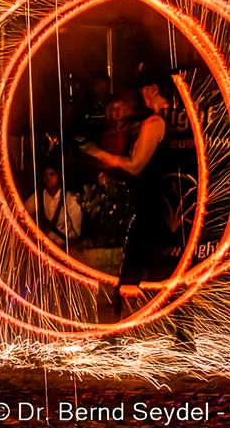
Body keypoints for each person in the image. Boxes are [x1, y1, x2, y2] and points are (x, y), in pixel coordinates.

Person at [80, 64, 186, 317]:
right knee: (169, 269)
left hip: (151, 205)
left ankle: (119, 331)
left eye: (142, 90)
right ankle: (178, 333)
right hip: (168, 204)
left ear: (151, 90)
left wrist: (98, 153)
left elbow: (136, 166)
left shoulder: (155, 122)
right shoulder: (173, 119)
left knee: (133, 269)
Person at [24, 164, 83, 247]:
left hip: (63, 247)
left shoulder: (69, 199)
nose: (48, 178)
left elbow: (76, 231)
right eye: (45, 175)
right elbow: (23, 213)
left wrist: (60, 241)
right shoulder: (39, 196)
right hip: (42, 245)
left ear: (59, 176)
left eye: (52, 174)